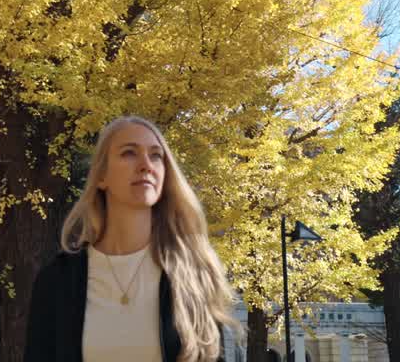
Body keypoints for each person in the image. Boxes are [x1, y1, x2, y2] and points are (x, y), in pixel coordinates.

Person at [22, 115, 238, 362]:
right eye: (129, 153)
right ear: (101, 176)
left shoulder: (193, 276)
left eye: (156, 155)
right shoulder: (57, 281)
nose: (146, 164)